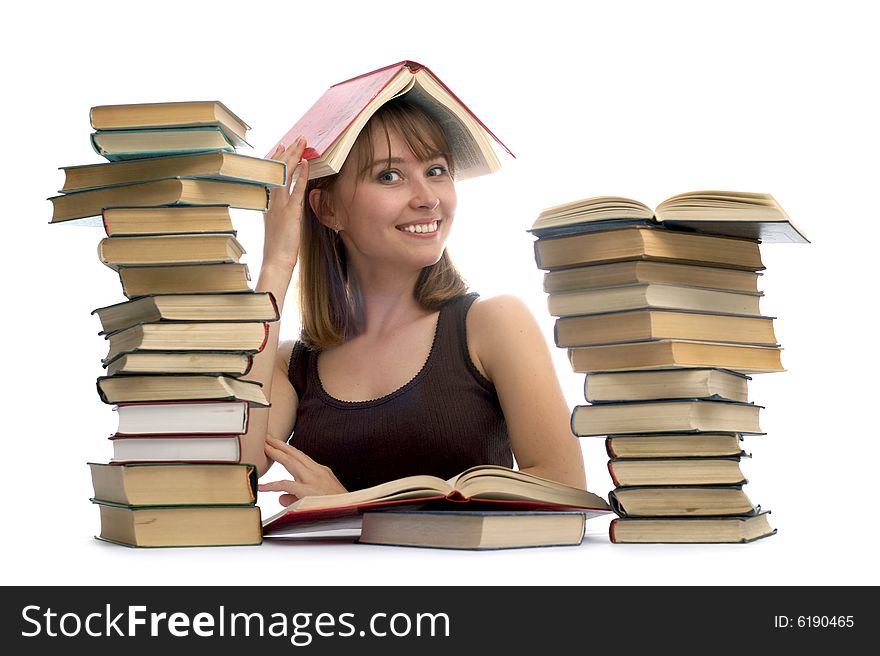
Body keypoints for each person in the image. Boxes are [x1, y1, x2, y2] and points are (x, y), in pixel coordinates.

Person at [239, 98, 586, 507]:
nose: (427, 198)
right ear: (328, 209)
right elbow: (236, 466)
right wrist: (278, 263)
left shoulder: (493, 324)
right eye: (389, 176)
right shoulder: (291, 364)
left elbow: (566, 487)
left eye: (436, 171)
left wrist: (353, 504)